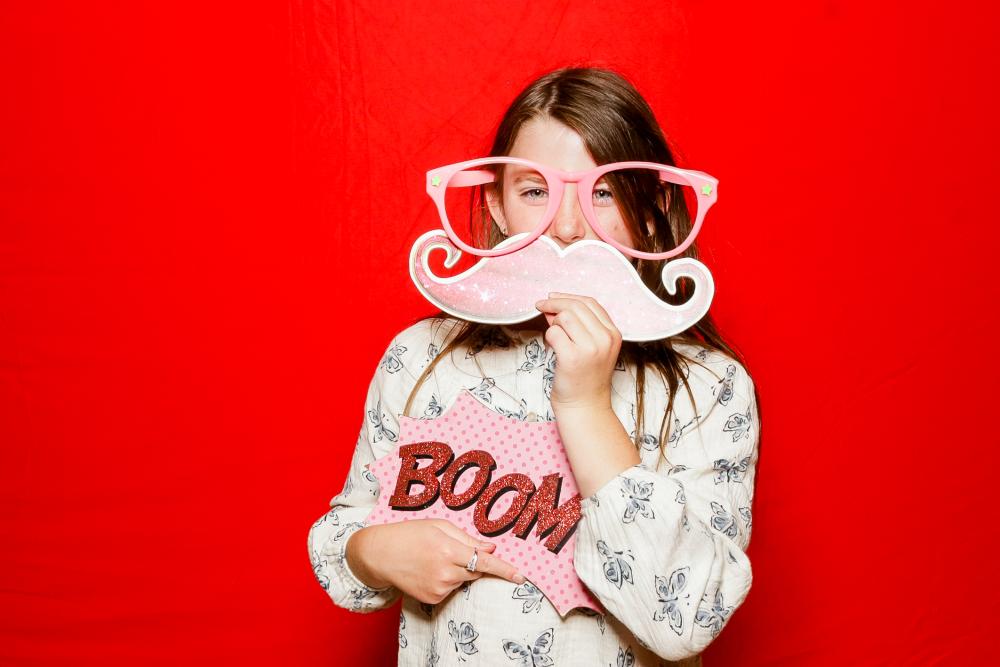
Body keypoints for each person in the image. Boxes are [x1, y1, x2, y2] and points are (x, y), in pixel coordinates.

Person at [307, 67, 761, 666]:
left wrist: (586, 404)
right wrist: (372, 553)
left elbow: (684, 619)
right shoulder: (422, 357)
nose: (568, 228)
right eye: (534, 192)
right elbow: (345, 530)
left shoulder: (709, 388)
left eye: (603, 193)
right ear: (496, 206)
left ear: (652, 212)